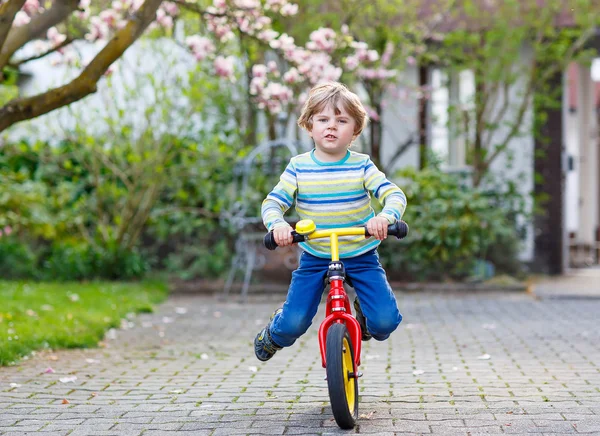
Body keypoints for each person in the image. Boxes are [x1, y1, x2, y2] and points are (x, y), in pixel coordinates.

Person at [254, 81, 407, 362]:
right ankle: (274, 333)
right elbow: (273, 202)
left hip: (360, 253)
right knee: (293, 323)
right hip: (316, 254)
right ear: (309, 126)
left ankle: (364, 315)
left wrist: (386, 217)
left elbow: (393, 194)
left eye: (341, 120)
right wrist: (277, 225)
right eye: (323, 119)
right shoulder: (299, 166)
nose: (331, 126)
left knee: (384, 322)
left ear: (355, 130)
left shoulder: (362, 165)